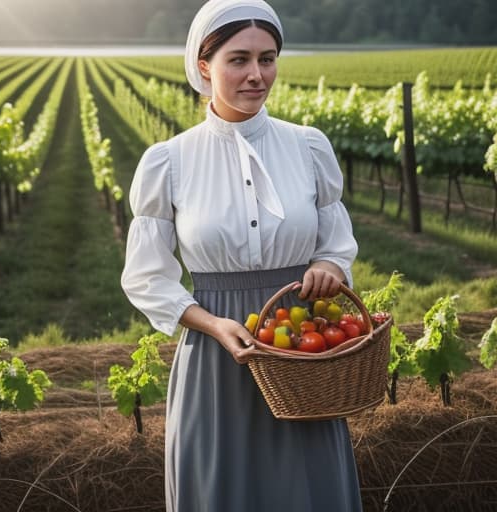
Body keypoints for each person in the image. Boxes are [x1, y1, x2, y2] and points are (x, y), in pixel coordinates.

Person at [121, 0, 361, 510]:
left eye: (267, 58)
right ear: (205, 67)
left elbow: (336, 240)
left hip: (300, 349)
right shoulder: (170, 162)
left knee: (308, 490)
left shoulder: (308, 147)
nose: (257, 75)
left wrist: (327, 266)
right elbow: (147, 276)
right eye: (239, 60)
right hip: (216, 354)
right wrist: (213, 325)